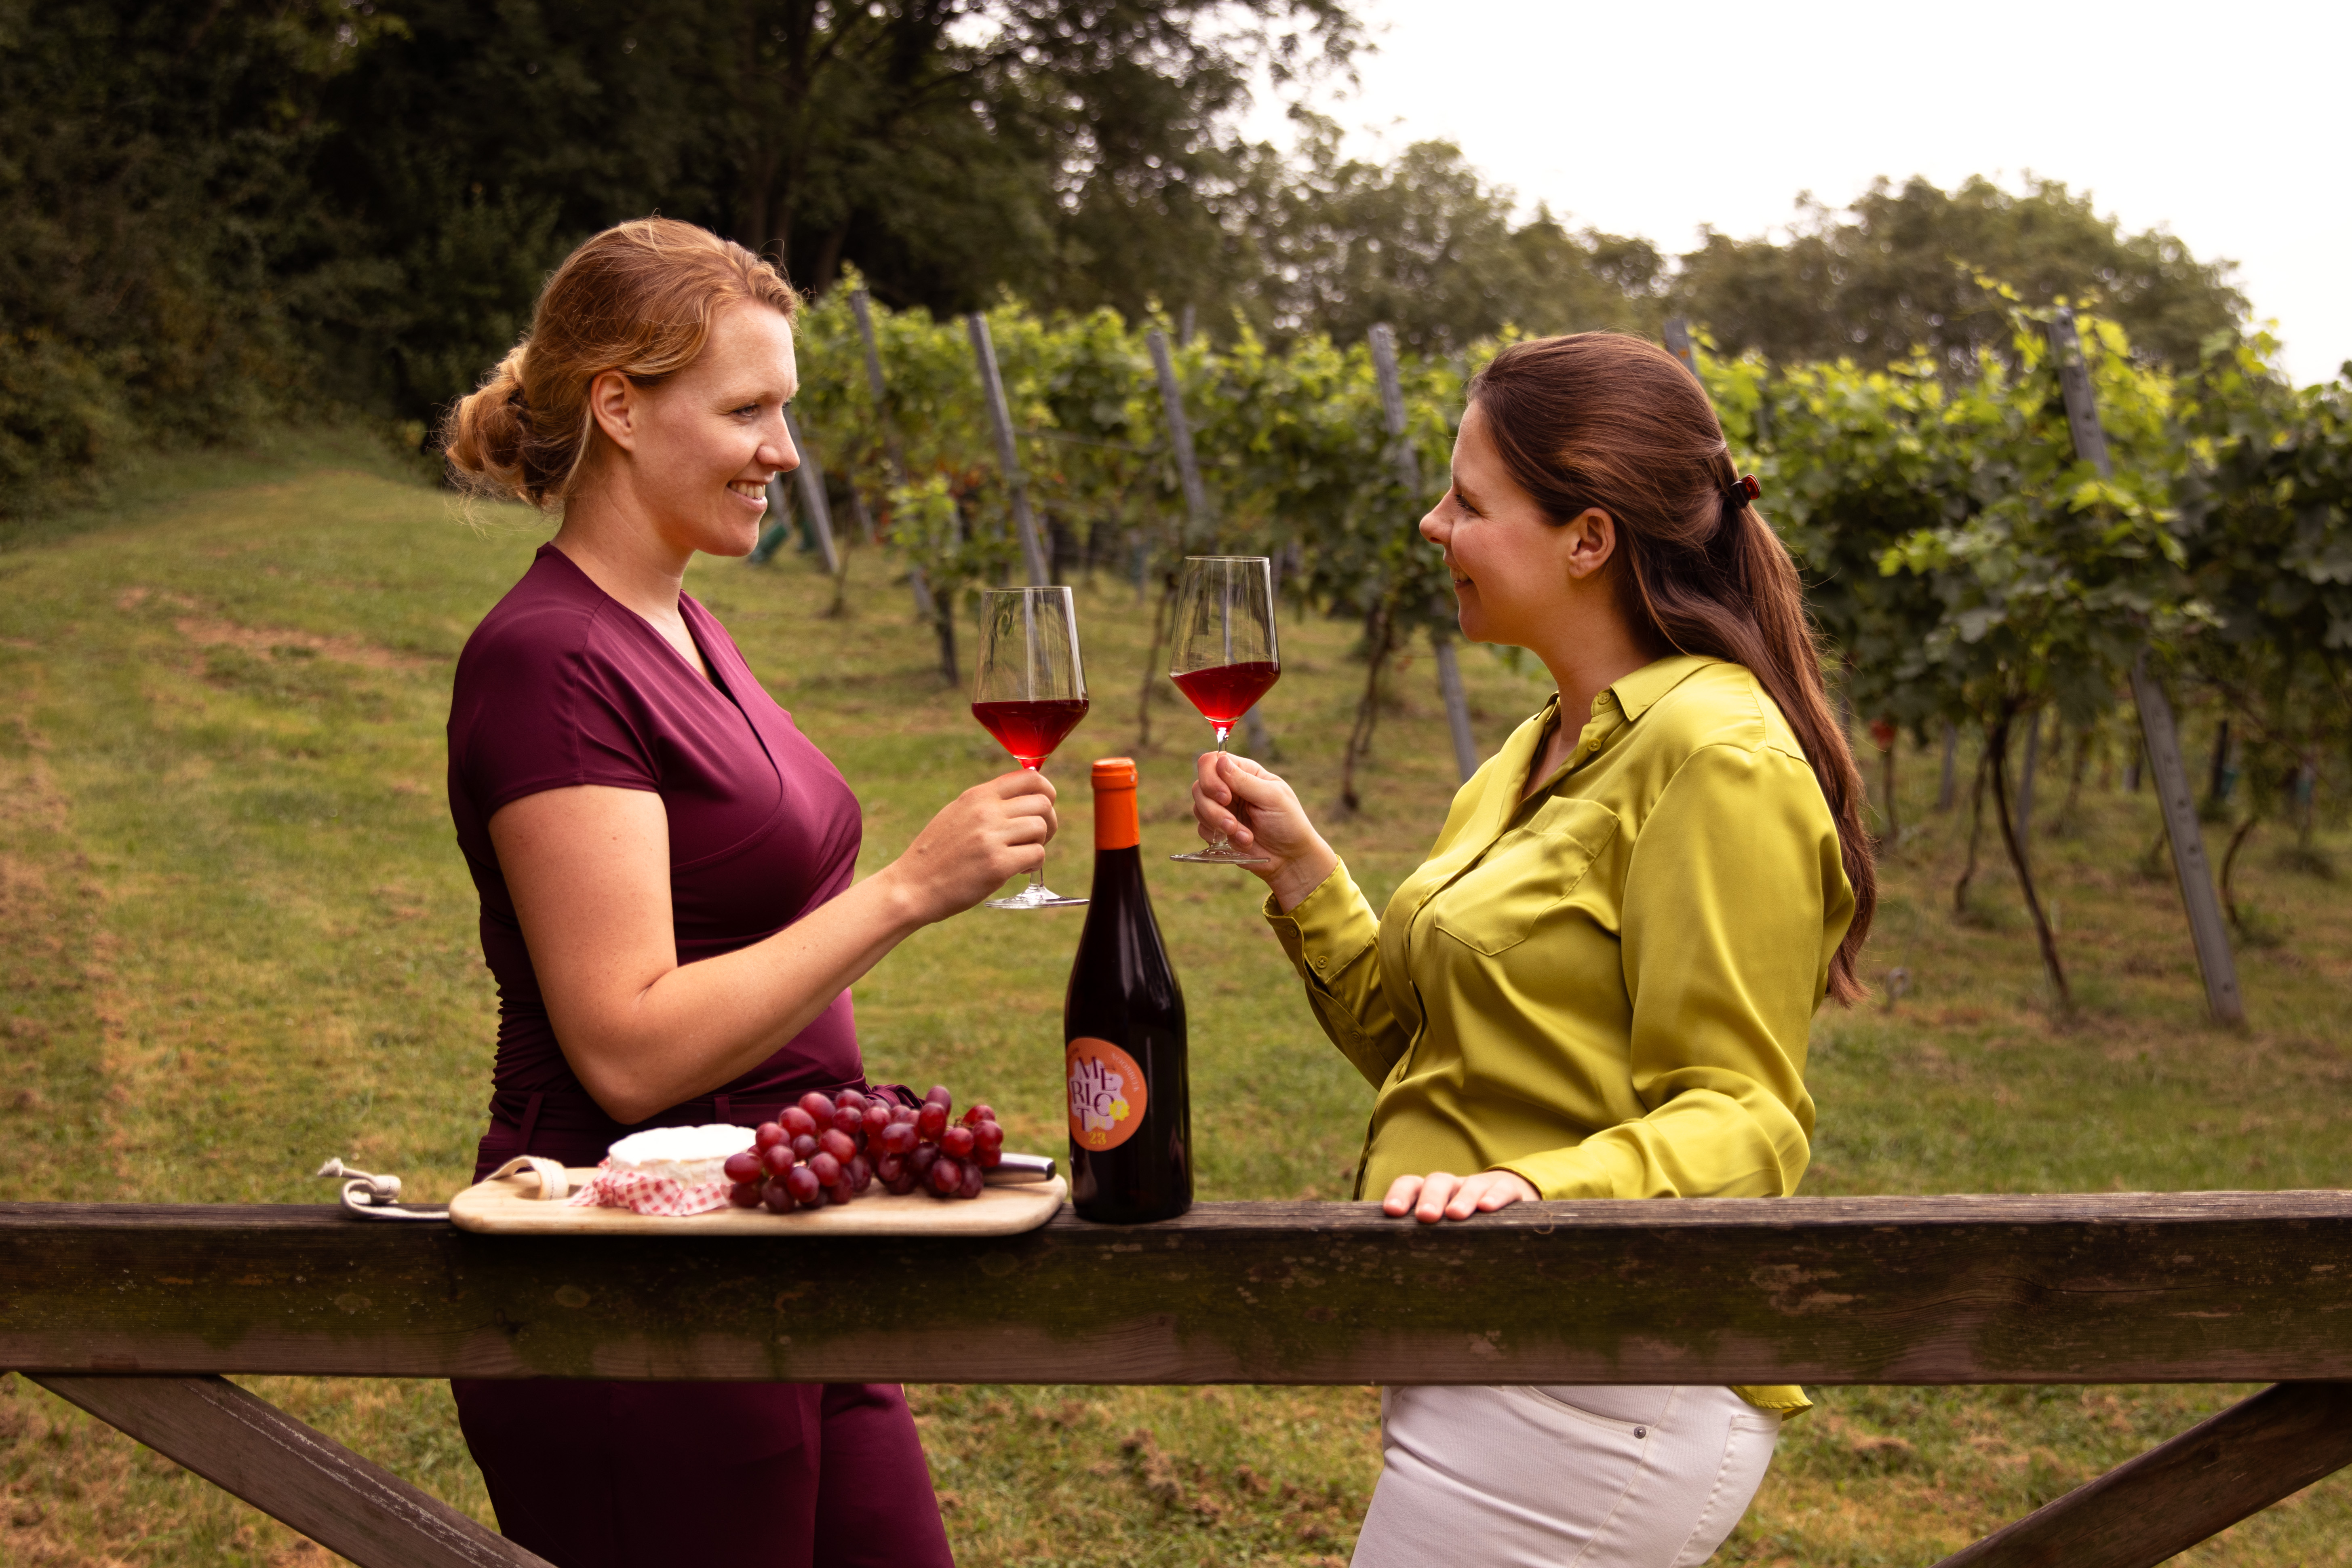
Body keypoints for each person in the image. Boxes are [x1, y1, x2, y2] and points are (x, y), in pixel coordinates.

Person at [1189, 332, 1874, 1567]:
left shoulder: (1716, 758)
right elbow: (1442, 1054)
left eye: (1468, 501)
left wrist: (1538, 1191)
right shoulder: (1538, 745)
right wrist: (1303, 876)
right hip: (1501, 1343)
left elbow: (1744, 1119)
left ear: (1587, 539)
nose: (1431, 523)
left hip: (1604, 1384)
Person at [438, 217, 1052, 1567]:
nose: (785, 451)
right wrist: (907, 890)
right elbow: (628, 1049)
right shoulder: (549, 661)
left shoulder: (683, 622)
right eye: (746, 411)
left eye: (786, 410)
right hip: (638, 1290)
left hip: (786, 1238)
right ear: (618, 407)